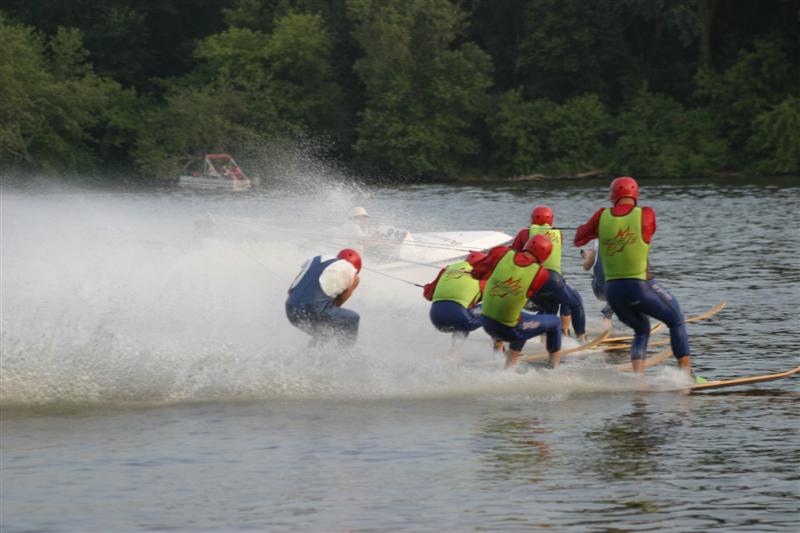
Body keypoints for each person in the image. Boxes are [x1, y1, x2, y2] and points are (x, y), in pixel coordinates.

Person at [574, 177, 695, 376]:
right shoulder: (645, 214)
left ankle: (639, 380)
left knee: (641, 329)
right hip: (640, 286)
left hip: (613, 292)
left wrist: (589, 228)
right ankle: (687, 375)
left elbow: (578, 239)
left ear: (613, 196)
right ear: (635, 194)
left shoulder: (601, 216)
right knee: (676, 320)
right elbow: (649, 231)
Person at [471, 235, 563, 369]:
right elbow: (527, 295)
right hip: (507, 330)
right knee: (555, 322)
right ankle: (554, 369)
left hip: (486, 321)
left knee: (521, 318)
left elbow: (476, 273)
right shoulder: (541, 273)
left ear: (527, 245)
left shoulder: (501, 252)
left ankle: (505, 361)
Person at [511, 206, 588, 342]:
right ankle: (581, 338)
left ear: (532, 219)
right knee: (576, 303)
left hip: (531, 280)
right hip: (553, 279)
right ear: (551, 219)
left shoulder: (524, 233)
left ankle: (543, 341)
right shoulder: (559, 233)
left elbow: (514, 253)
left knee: (549, 308)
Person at [286, 248, 362, 347]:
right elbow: (338, 303)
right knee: (353, 318)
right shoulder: (353, 276)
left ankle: (309, 354)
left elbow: (290, 291)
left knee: (324, 333)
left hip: (291, 310)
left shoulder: (316, 260)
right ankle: (346, 353)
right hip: (314, 310)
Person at [423, 251, 488, 348]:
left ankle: (454, 353)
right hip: (461, 319)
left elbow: (428, 295)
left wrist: (426, 287)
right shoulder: (482, 277)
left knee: (465, 315)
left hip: (436, 320)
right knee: (495, 309)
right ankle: (499, 350)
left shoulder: (448, 269)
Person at [580, 243, 614, 331]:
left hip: (597, 289)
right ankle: (607, 327)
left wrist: (590, 256)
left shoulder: (597, 242)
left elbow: (586, 267)